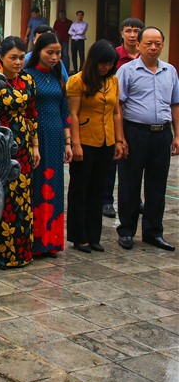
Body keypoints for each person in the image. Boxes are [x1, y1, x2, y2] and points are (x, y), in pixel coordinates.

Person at [116, 26, 179, 252]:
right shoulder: (127, 71)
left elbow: (175, 104)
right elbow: (118, 106)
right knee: (129, 184)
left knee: (157, 185)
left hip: (161, 134)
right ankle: (126, 230)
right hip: (134, 133)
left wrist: (177, 134)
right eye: (148, 43)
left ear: (163, 45)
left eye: (158, 44)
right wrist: (121, 139)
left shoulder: (170, 71)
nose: (153, 48)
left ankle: (153, 232)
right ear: (139, 45)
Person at [67, 40, 124, 253]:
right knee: (80, 190)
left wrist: (119, 140)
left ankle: (94, 236)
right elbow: (72, 114)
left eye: (110, 63)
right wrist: (76, 144)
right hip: (85, 141)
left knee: (97, 191)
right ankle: (78, 236)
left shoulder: (113, 81)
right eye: (103, 63)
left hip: (106, 142)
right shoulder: (77, 81)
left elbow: (116, 112)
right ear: (93, 61)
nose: (106, 67)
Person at [0, 37, 40, 269]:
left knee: (22, 197)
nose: (19, 62)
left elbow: (31, 113)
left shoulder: (28, 80)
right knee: (2, 197)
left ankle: (21, 252)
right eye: (13, 58)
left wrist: (35, 145)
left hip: (23, 144)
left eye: (22, 57)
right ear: (1, 58)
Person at [23, 32, 70, 258]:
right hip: (36, 136)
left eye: (57, 53)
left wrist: (68, 142)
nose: (53, 57)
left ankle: (51, 241)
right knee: (37, 185)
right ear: (38, 51)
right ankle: (34, 241)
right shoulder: (27, 76)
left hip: (56, 136)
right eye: (49, 52)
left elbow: (65, 110)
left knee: (55, 185)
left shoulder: (58, 76)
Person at [102, 17, 145, 218]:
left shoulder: (146, 57)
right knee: (112, 161)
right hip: (113, 115)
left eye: (136, 31)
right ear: (121, 33)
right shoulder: (114, 56)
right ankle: (107, 200)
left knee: (135, 163)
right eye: (128, 30)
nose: (132, 34)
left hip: (136, 119)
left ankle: (136, 200)